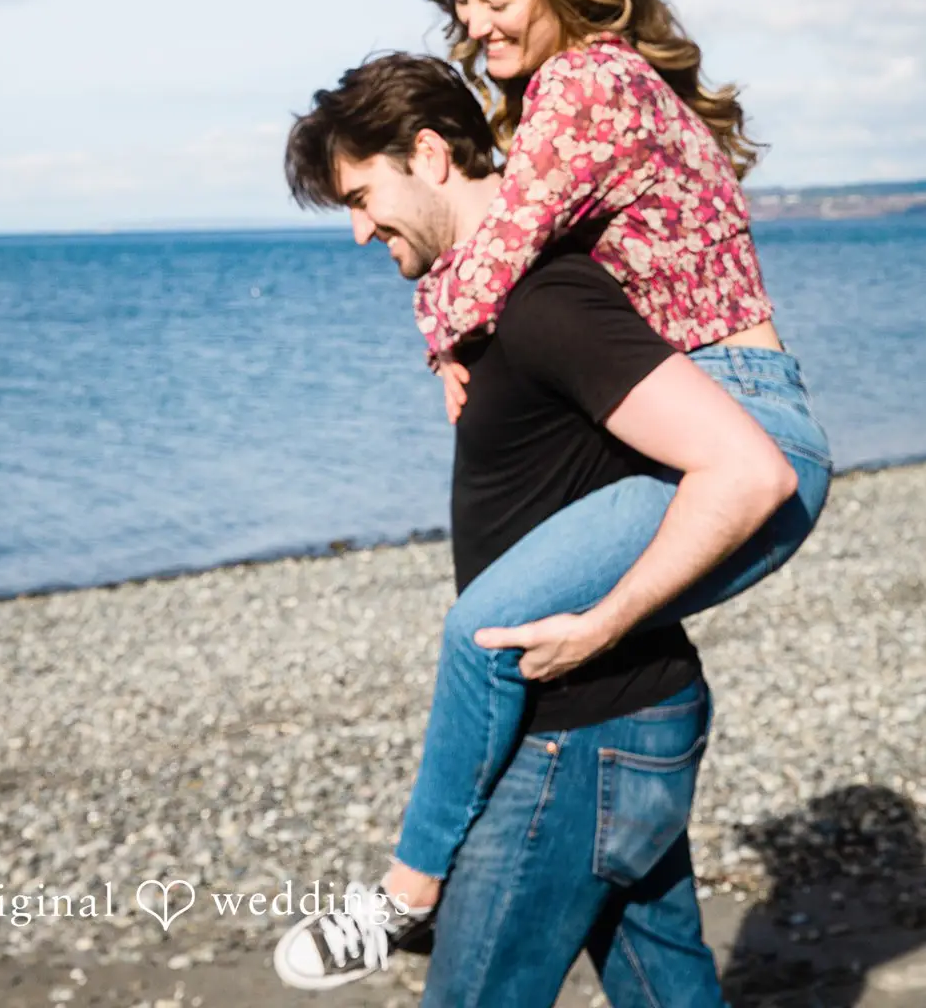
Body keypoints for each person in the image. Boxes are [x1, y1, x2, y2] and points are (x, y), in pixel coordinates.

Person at [274, 53, 796, 1002]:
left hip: (575, 737)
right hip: (627, 715)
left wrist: (603, 620)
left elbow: (744, 467)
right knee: (664, 988)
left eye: (361, 197)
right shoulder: (493, 297)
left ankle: (404, 896)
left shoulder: (548, 301)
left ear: (429, 154)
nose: (357, 233)